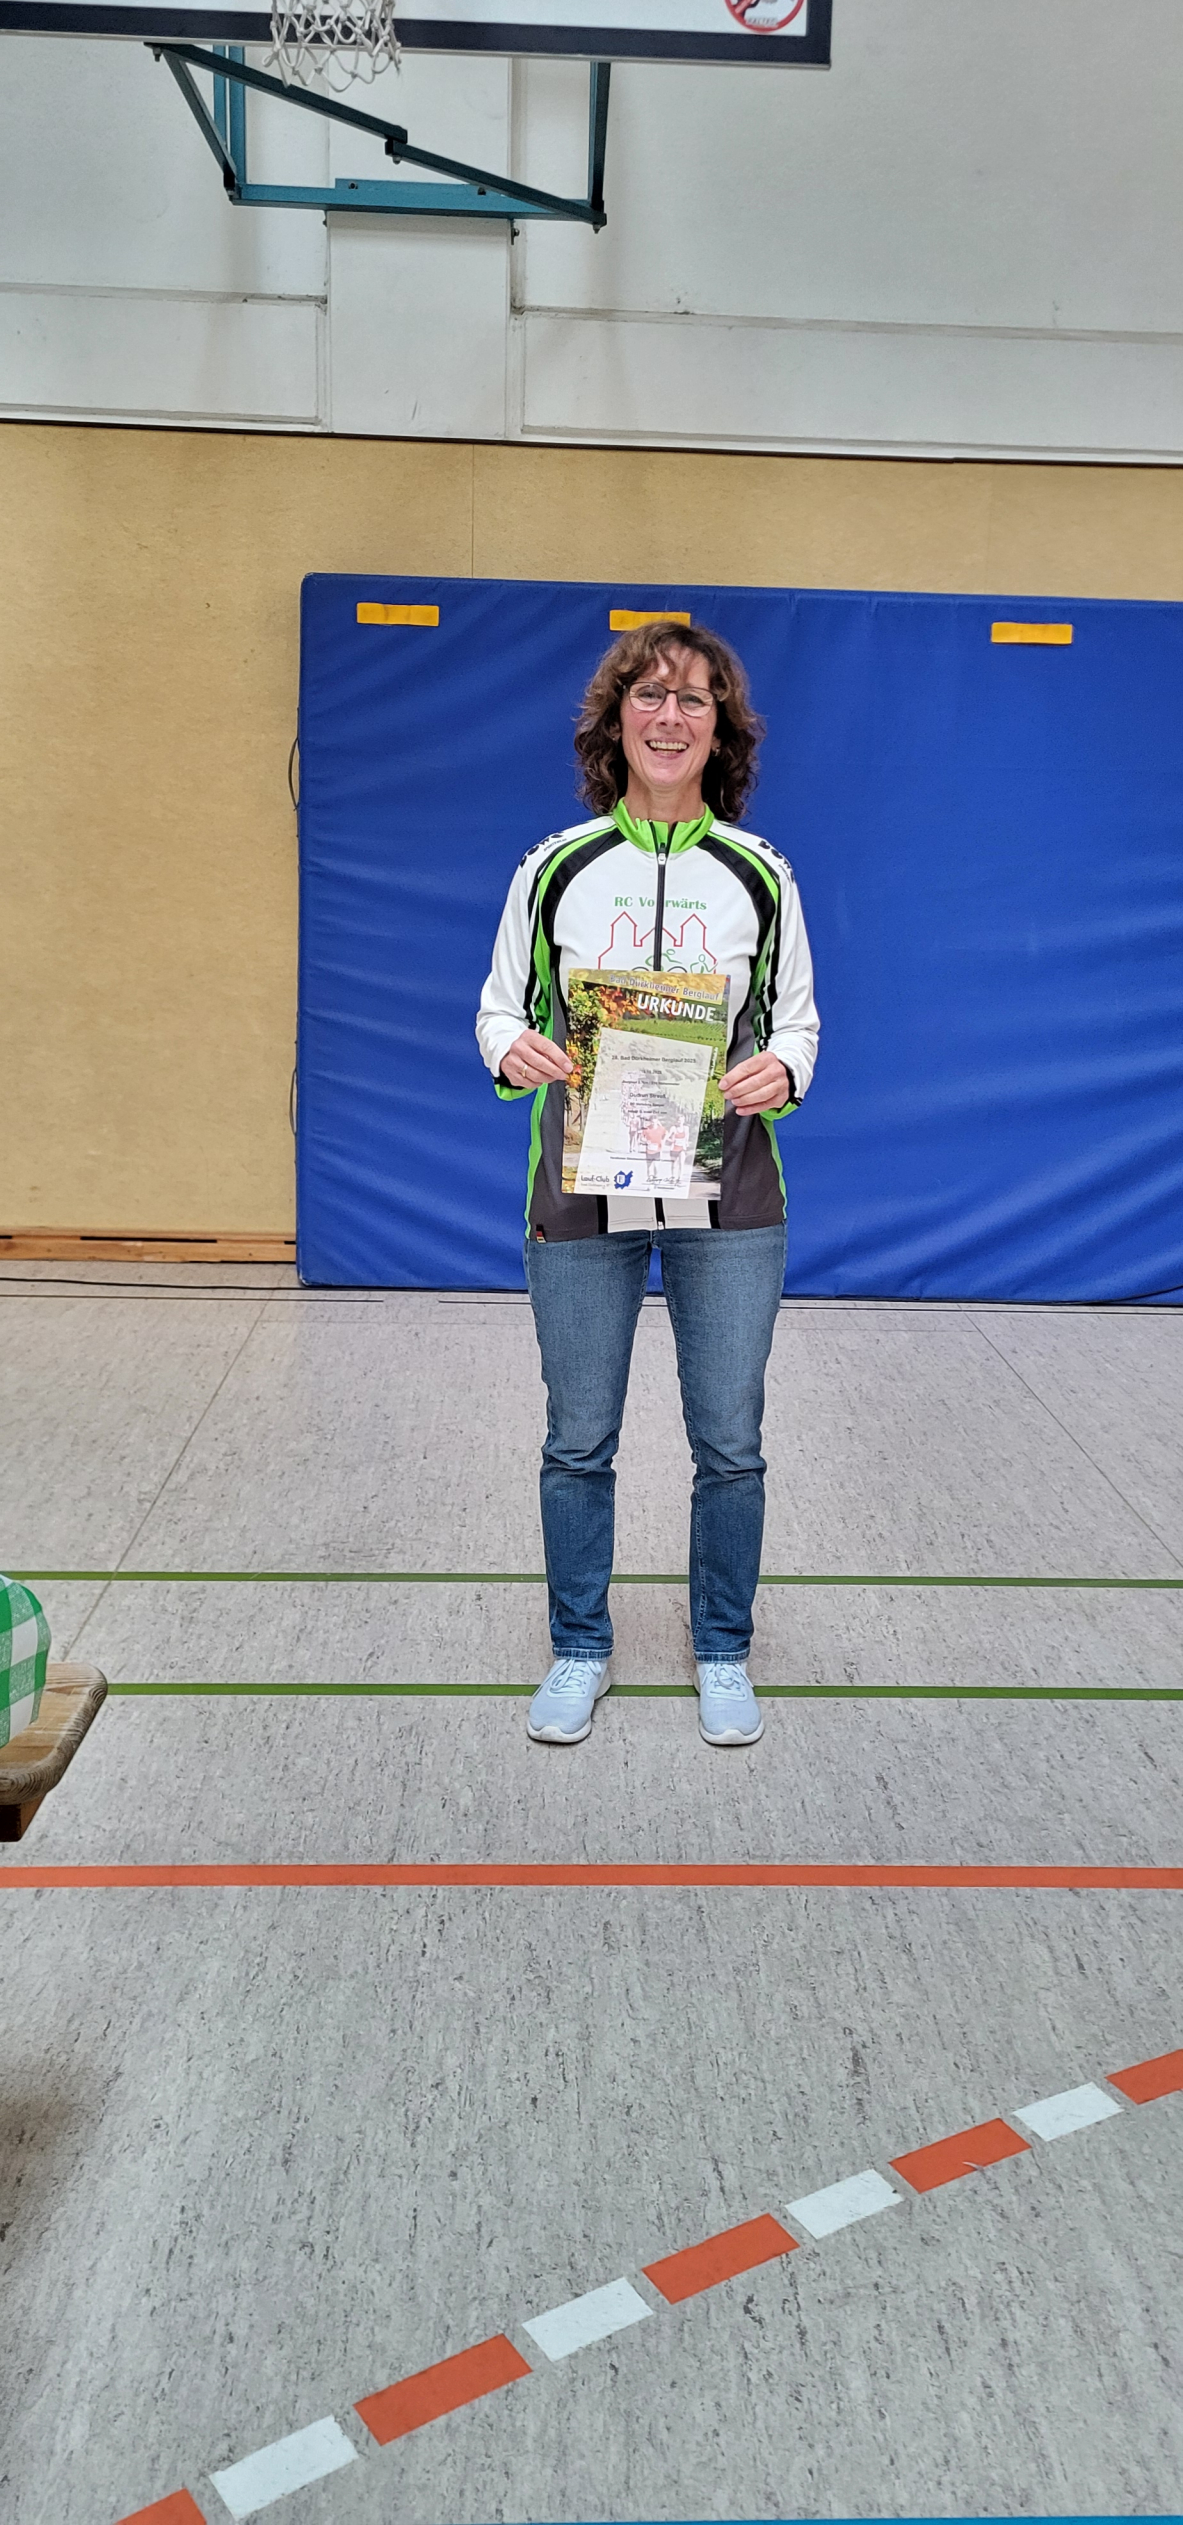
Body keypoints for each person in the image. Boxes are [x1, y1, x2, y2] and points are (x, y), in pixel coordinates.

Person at [476, 620, 819, 1748]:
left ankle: (722, 1649)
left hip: (730, 1195)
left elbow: (797, 1022)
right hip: (582, 1193)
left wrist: (784, 1068)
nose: (670, 718)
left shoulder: (761, 876)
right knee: (579, 1436)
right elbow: (498, 1008)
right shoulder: (554, 867)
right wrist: (509, 1048)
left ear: (721, 729)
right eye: (650, 696)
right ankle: (581, 1645)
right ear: (615, 719)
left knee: (730, 1439)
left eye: (695, 700)